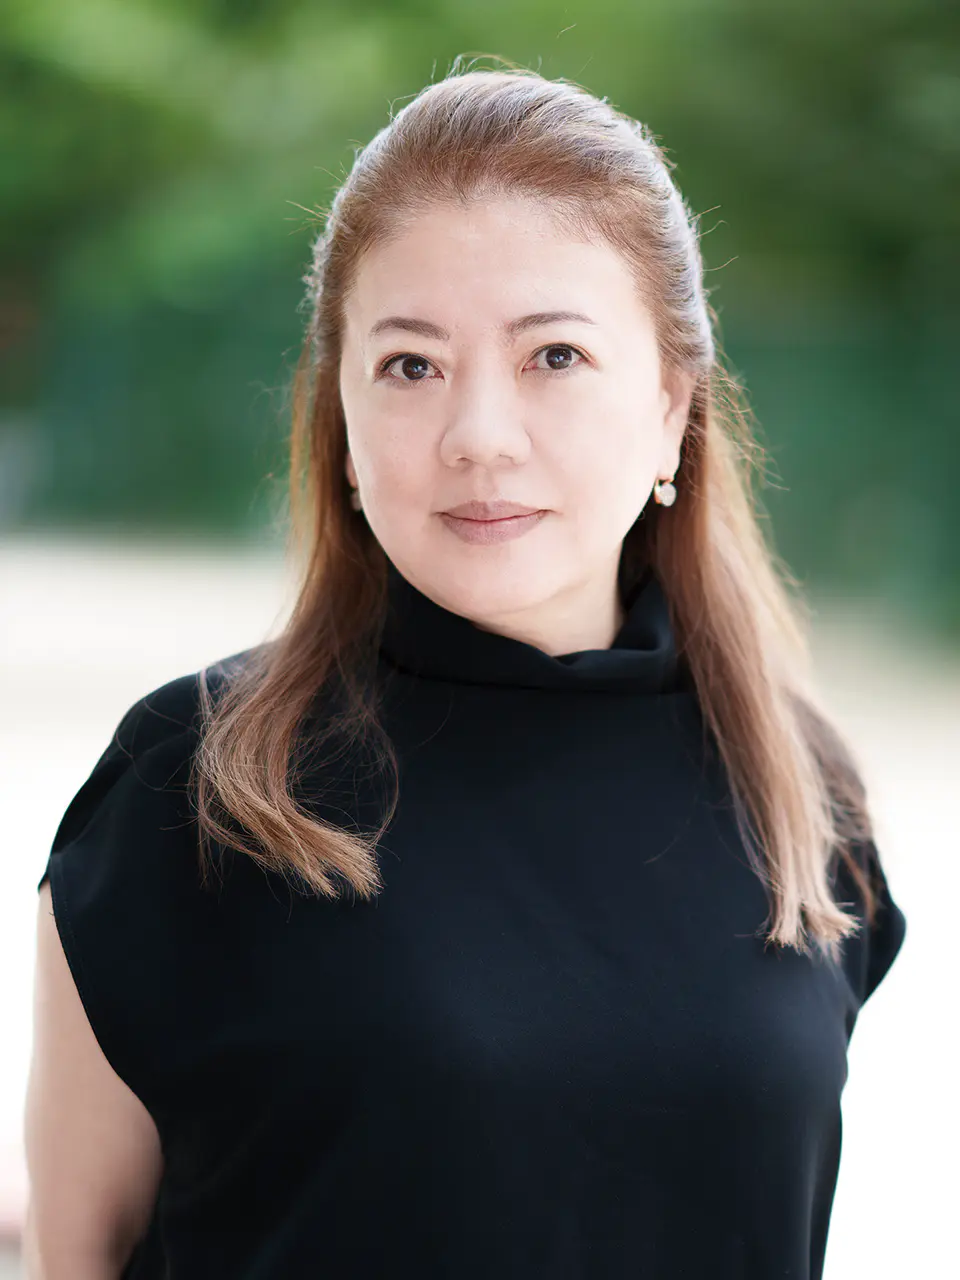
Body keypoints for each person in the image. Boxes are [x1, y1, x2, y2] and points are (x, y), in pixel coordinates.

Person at [24, 63, 907, 1279]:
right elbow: (75, 1253)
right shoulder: (198, 785)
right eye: (411, 364)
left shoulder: (801, 791)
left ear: (670, 407)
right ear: (340, 420)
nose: (479, 435)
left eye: (554, 355)